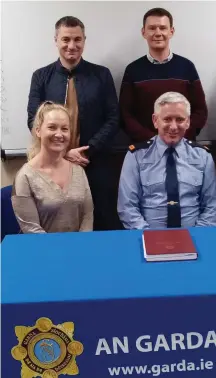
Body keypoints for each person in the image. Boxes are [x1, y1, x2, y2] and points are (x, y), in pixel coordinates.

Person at [27, 16, 119, 230]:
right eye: (66, 39)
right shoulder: (41, 77)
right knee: (59, 225)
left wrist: (87, 151)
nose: (72, 45)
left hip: (95, 163)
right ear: (56, 40)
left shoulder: (102, 75)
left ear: (84, 40)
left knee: (101, 223)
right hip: (52, 166)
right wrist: (63, 153)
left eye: (77, 39)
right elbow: (34, 120)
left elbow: (113, 118)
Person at [118, 92, 216, 229]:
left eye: (179, 119)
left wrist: (197, 237)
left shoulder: (202, 156)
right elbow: (127, 208)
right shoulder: (136, 156)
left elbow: (212, 207)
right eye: (167, 119)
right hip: (148, 238)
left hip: (195, 237)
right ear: (155, 121)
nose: (173, 127)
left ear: (188, 122)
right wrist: (150, 238)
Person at [120, 7, 208, 143]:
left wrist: (178, 136)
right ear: (143, 32)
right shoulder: (132, 70)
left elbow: (200, 111)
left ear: (171, 32)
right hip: (145, 149)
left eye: (162, 28)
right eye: (152, 28)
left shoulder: (187, 67)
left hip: (183, 146)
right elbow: (125, 115)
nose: (158, 33)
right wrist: (153, 141)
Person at [12, 102, 93, 233]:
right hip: (42, 250)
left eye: (64, 129)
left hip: (78, 248)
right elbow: (31, 229)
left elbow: (87, 216)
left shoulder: (78, 171)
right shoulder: (25, 177)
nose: (59, 134)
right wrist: (58, 252)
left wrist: (81, 245)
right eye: (52, 127)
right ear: (38, 131)